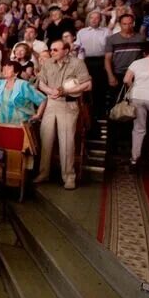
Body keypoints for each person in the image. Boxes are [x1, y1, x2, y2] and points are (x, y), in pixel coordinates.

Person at [36, 41, 91, 190]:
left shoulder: (77, 63)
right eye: (51, 49)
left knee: (66, 141)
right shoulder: (47, 63)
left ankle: (69, 177)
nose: (52, 52)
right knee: (45, 138)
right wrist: (50, 91)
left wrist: (67, 91)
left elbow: (87, 84)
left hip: (68, 104)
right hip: (51, 103)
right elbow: (40, 82)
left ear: (66, 51)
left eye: (55, 50)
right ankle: (43, 173)